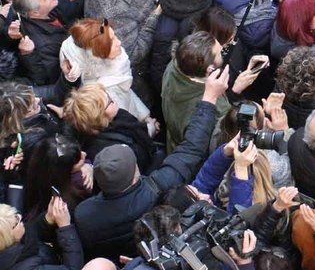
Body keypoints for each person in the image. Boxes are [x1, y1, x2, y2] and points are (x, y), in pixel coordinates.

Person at [73, 69, 223, 259]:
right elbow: (191, 149)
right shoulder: (158, 188)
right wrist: (209, 99)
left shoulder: (82, 215)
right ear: (136, 171)